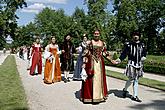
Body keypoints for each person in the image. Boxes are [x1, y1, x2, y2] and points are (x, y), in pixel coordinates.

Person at [113, 31, 146, 102]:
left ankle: (135, 95)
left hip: (139, 64)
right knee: (131, 79)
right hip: (131, 64)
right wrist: (119, 60)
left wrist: (144, 56)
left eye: (137, 35)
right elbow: (124, 54)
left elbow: (144, 52)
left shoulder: (142, 45)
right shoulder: (129, 45)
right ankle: (125, 90)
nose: (136, 36)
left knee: (136, 79)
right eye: (134, 35)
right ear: (132, 36)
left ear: (139, 36)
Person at [80, 29, 112, 104]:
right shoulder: (90, 43)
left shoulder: (102, 43)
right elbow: (85, 53)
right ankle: (89, 97)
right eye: (95, 33)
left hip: (100, 63)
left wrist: (111, 60)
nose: (96, 35)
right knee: (90, 78)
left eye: (97, 34)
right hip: (90, 63)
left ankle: (99, 96)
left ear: (99, 34)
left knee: (99, 79)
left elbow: (104, 53)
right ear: (93, 34)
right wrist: (84, 63)